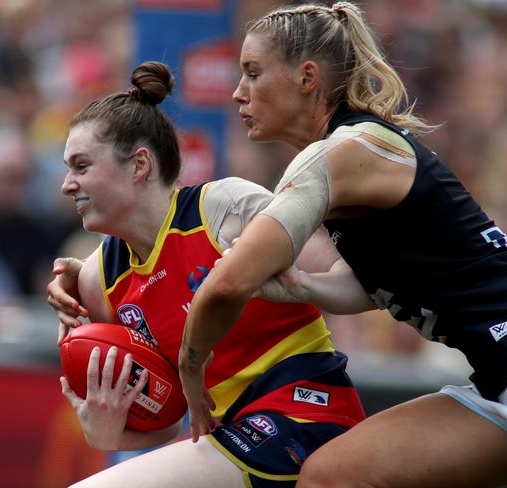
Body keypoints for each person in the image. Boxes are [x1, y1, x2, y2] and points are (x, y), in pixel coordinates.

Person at [176, 3, 507, 488]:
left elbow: (229, 283)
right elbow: (369, 285)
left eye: (253, 73)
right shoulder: (341, 160)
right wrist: (302, 286)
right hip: (502, 375)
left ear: (306, 77)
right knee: (332, 477)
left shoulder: (340, 153)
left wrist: (190, 369)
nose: (238, 92)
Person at [49, 60, 366, 488]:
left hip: (308, 415)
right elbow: (166, 414)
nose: (67, 184)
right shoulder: (96, 279)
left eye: (81, 166)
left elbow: (353, 278)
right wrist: (105, 431)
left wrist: (297, 286)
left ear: (140, 164)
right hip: (228, 436)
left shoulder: (226, 209)